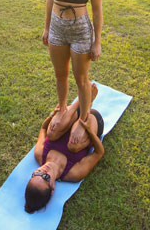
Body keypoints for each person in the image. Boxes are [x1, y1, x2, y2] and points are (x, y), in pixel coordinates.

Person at [42, 0, 103, 148]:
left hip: (80, 31)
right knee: (60, 74)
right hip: (57, 27)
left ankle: (84, 119)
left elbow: (97, 11)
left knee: (81, 78)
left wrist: (96, 42)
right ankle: (63, 107)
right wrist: (47, 27)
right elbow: (49, 0)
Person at [25, 84, 104, 213]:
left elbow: (44, 129)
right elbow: (99, 153)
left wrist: (53, 115)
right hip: (91, 122)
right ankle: (87, 104)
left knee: (51, 133)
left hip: (70, 116)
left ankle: (80, 100)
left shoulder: (39, 154)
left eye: (37, 173)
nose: (43, 170)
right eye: (45, 178)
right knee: (73, 145)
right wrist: (90, 132)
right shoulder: (73, 173)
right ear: (53, 188)